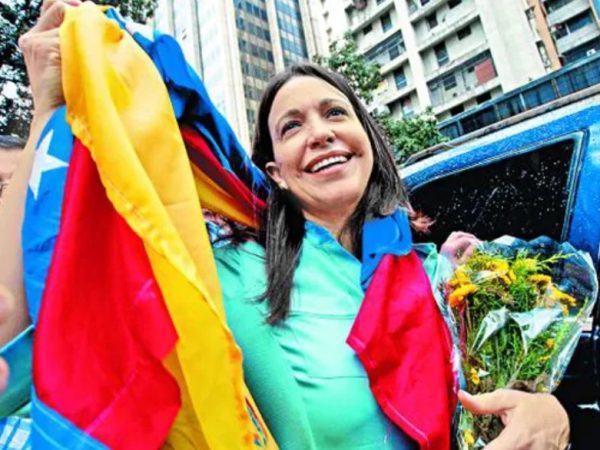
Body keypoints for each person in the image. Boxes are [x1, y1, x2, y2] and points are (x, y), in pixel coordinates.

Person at [0, 0, 577, 448]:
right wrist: (47, 107)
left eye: (335, 113)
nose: (320, 133)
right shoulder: (224, 267)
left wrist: (552, 416)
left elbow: (501, 401)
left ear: (367, 141)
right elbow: (18, 325)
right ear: (274, 172)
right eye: (291, 126)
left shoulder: (443, 277)